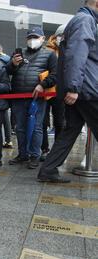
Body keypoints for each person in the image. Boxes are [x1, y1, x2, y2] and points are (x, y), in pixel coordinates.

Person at [38, 0, 98, 183]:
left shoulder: (79, 20)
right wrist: (73, 87)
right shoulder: (85, 20)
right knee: (70, 130)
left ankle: (48, 170)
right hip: (84, 89)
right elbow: (76, 54)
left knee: (70, 130)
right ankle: (48, 170)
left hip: (78, 88)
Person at [6, 27, 57, 170]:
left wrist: (42, 85)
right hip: (18, 96)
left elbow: (55, 74)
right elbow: (8, 71)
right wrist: (13, 64)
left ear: (42, 39)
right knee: (20, 128)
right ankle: (23, 154)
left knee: (36, 127)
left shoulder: (49, 55)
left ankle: (35, 155)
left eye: (35, 37)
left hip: (37, 97)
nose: (32, 40)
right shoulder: (19, 52)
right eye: (30, 37)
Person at [40, 24, 67, 161]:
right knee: (43, 122)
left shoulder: (69, 49)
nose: (62, 38)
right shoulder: (47, 50)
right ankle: (44, 149)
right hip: (46, 90)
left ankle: (57, 150)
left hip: (61, 92)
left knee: (59, 122)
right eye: (60, 35)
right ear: (55, 36)